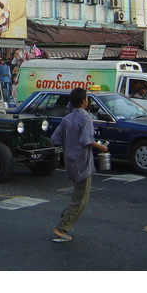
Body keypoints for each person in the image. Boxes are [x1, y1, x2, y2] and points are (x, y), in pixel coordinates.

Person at [50, 87, 108, 243]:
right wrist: (101, 147)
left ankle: (66, 216)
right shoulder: (86, 117)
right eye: (87, 98)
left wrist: (69, 142)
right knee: (81, 199)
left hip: (70, 160)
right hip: (82, 161)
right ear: (83, 101)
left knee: (78, 194)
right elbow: (86, 140)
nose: (88, 101)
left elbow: (55, 138)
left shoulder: (67, 118)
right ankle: (62, 228)